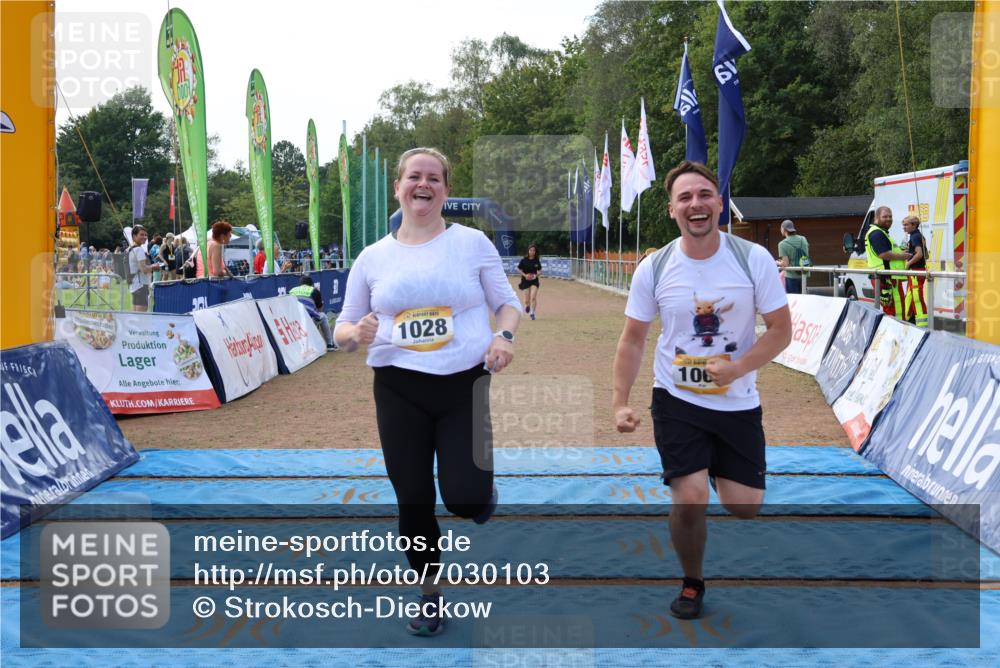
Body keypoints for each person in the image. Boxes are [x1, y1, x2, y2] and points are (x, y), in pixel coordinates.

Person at [334, 147, 521, 637]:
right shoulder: (372, 257)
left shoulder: (472, 243)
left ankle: (479, 495)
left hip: (464, 383)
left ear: (445, 190)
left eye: (433, 178)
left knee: (463, 498)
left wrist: (504, 337)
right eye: (414, 177)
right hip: (398, 388)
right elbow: (343, 328)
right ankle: (430, 595)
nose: (423, 184)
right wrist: (354, 335)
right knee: (413, 498)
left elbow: (507, 305)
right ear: (399, 187)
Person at [612, 161, 791, 621]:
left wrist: (738, 368)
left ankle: (711, 467)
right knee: (690, 498)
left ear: (718, 202)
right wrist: (620, 402)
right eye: (686, 197)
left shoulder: (753, 260)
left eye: (705, 194)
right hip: (676, 399)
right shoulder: (654, 267)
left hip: (737, 401)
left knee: (744, 506)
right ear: (672, 209)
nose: (696, 204)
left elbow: (780, 331)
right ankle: (692, 581)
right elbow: (632, 339)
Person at [864, 206, 911, 318]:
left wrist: (901, 251)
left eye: (890, 216)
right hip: (886, 278)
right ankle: (898, 333)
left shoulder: (879, 232)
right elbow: (883, 254)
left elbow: (886, 252)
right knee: (896, 310)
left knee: (890, 309)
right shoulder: (877, 233)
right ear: (876, 218)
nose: (889, 219)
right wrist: (902, 256)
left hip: (884, 277)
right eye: (885, 216)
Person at [290, 275, 336, 351]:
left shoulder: (292, 290)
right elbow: (320, 309)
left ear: (300, 284)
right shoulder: (314, 290)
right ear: (311, 284)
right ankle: (330, 344)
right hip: (307, 321)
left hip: (292, 322)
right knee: (323, 316)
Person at [127, 225, 165, 312]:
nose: (144, 237)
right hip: (141, 286)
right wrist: (154, 267)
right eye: (141, 234)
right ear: (134, 236)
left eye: (145, 235)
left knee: (135, 314)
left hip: (134, 285)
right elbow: (143, 269)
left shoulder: (129, 249)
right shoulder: (139, 250)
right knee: (141, 317)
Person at [902, 215, 929, 327]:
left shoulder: (914, 237)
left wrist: (908, 263)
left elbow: (920, 254)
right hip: (917, 271)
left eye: (906, 225)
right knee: (909, 295)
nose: (904, 227)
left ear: (914, 225)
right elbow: (926, 255)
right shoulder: (919, 236)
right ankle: (906, 318)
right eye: (903, 225)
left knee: (917, 297)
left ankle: (922, 325)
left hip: (916, 271)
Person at [776, 219, 809, 295]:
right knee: (803, 299)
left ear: (784, 230)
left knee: (794, 300)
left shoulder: (782, 244)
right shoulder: (803, 239)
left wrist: (778, 262)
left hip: (791, 276)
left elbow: (786, 264)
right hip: (803, 274)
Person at [517, 244, 543, 320]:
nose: (532, 252)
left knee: (533, 297)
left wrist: (536, 275)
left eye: (534, 250)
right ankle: (527, 306)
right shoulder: (524, 260)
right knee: (526, 300)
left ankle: (532, 313)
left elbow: (540, 270)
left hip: (534, 281)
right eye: (530, 250)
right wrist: (525, 275)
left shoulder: (536, 261)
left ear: (535, 252)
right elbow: (518, 269)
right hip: (525, 281)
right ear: (528, 251)